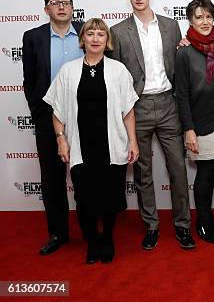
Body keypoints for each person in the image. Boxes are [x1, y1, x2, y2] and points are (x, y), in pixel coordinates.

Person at [108, 0, 195, 250]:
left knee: (178, 169)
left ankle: (183, 226)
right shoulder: (118, 31)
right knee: (143, 172)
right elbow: (116, 75)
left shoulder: (171, 26)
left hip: (169, 103)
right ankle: (152, 226)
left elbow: (181, 66)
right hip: (137, 107)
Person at [43, 18, 139, 264]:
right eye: (91, 34)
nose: (95, 38)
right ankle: (92, 239)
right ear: (82, 38)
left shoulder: (118, 70)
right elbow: (57, 111)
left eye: (101, 35)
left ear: (107, 41)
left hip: (112, 145)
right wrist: (61, 140)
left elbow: (128, 110)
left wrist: (133, 141)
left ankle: (106, 237)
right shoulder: (68, 70)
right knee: (84, 199)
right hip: (80, 147)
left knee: (110, 197)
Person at [22, 0, 83, 255]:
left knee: (86, 178)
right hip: (49, 118)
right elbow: (29, 81)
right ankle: (58, 233)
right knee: (52, 180)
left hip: (84, 117)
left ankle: (91, 231)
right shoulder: (33, 37)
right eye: (54, 2)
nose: (61, 7)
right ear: (46, 8)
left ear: (72, 7)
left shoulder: (87, 31)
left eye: (65, 2)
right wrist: (40, 113)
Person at [175, 0, 214, 244]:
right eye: (199, 17)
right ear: (190, 20)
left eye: (208, 16)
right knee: (205, 174)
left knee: (212, 169)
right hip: (199, 123)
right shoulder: (184, 51)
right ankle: (203, 224)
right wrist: (189, 129)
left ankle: (208, 217)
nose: (205, 21)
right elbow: (182, 93)